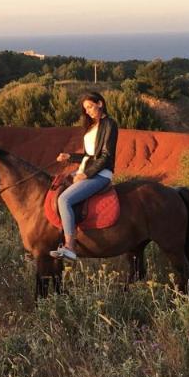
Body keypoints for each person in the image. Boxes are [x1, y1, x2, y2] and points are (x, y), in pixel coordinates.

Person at [51, 91, 118, 261]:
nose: (87, 111)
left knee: (64, 200)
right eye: (85, 109)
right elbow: (89, 155)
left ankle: (70, 247)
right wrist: (70, 157)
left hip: (101, 174)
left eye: (89, 106)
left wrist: (86, 174)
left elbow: (105, 156)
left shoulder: (109, 124)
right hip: (86, 171)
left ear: (100, 104)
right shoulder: (92, 127)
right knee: (56, 186)